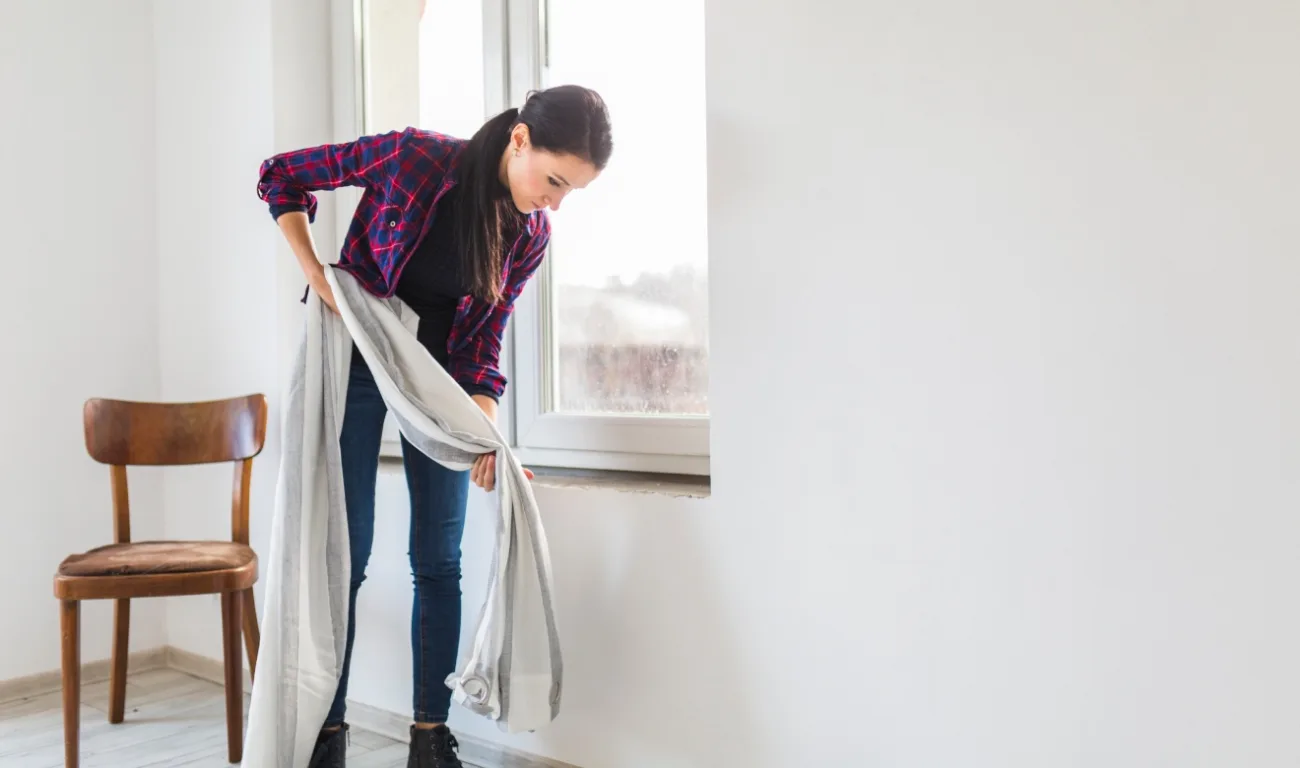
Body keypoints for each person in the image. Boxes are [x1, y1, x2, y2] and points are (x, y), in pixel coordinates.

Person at [256, 84, 612, 768]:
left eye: (573, 192)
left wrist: (485, 434)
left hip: (438, 378)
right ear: (519, 142)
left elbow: (482, 348)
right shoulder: (412, 158)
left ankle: (429, 737)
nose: (556, 202)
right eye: (555, 180)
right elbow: (282, 176)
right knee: (345, 553)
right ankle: (327, 733)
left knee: (438, 559)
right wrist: (316, 274)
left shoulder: (528, 234)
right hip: (360, 351)